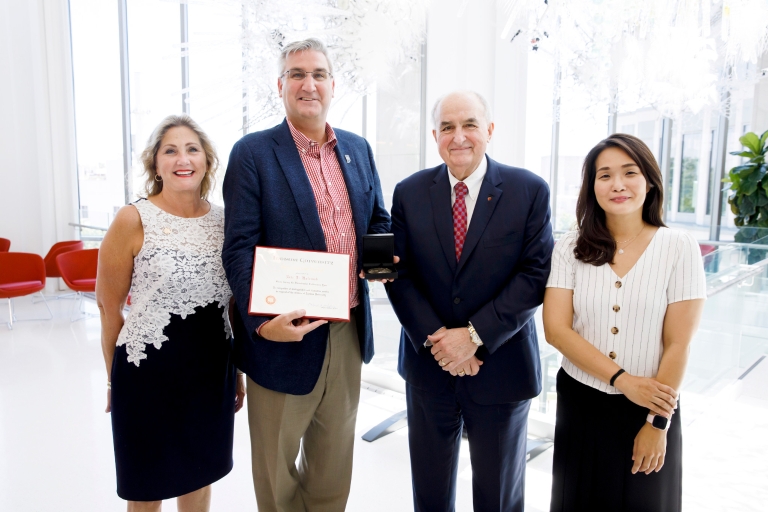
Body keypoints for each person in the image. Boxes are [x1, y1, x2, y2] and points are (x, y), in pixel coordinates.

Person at [221, 38, 390, 512]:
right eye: (296, 74)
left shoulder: (356, 148)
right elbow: (238, 248)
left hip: (348, 331)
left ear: (333, 85)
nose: (308, 84)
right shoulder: (253, 153)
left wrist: (382, 258)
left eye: (318, 74)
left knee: (333, 464)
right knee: (276, 470)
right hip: (284, 335)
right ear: (280, 86)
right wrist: (260, 324)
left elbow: (378, 219)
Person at [385, 90, 553, 512]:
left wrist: (474, 337)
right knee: (430, 493)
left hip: (502, 368)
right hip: (430, 366)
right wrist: (441, 340)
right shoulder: (408, 192)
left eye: (470, 125)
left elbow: (534, 276)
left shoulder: (529, 190)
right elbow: (397, 273)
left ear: (490, 130)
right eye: (447, 127)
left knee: (498, 497)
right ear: (435, 136)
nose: (458, 136)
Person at [543, 133, 707, 512]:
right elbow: (557, 330)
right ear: (591, 186)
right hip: (581, 402)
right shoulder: (571, 246)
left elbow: (678, 344)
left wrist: (657, 423)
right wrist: (623, 380)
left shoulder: (679, 247)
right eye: (604, 175)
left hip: (650, 407)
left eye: (629, 172)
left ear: (648, 181)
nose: (617, 184)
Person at [96, 115, 245, 511]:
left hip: (212, 373)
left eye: (192, 149)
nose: (183, 158)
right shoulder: (133, 219)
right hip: (147, 376)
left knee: (199, 479)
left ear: (207, 161)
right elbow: (108, 309)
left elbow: (234, 306)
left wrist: (239, 373)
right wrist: (114, 381)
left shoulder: (227, 220)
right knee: (146, 488)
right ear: (156, 163)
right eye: (171, 150)